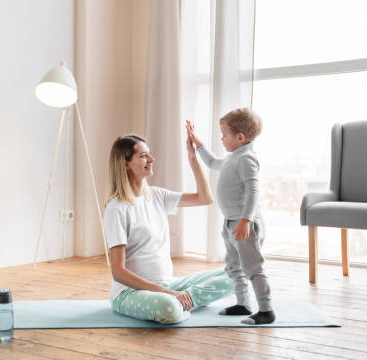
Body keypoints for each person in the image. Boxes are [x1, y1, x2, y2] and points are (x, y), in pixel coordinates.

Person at [102, 123, 234, 324]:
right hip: (130, 293)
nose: (151, 159)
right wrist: (166, 293)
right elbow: (118, 272)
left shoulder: (157, 196)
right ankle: (181, 302)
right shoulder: (116, 208)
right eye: (143, 155)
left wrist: (193, 158)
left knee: (237, 275)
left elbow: (205, 198)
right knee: (168, 307)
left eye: (149, 154)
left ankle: (184, 301)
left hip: (169, 284)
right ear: (125, 163)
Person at [187, 107, 275, 325]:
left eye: (224, 135)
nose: (222, 138)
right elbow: (212, 162)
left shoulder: (246, 159)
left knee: (253, 268)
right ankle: (243, 304)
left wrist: (246, 220)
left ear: (240, 137)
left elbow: (254, 191)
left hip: (245, 224)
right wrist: (198, 144)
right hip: (230, 223)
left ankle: (266, 309)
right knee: (234, 267)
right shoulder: (232, 158)